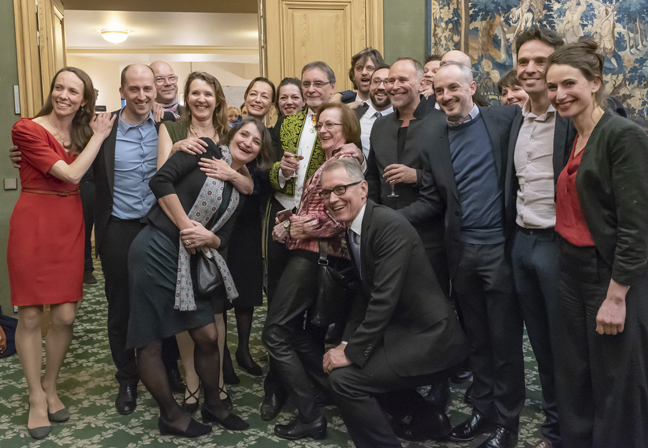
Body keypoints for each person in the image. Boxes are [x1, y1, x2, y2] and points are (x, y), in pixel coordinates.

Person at [400, 62, 525, 448]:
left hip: (500, 251)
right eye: (439, 91)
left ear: (472, 87)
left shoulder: (505, 120)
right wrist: (385, 219)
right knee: (477, 341)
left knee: (505, 343)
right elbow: (434, 199)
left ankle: (507, 423)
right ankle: (482, 411)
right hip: (461, 253)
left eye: (454, 88)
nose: (446, 96)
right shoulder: (433, 137)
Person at [126, 117, 273, 437]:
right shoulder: (203, 148)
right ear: (232, 135)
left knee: (207, 335)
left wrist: (210, 238)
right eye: (244, 134)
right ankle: (171, 416)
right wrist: (186, 226)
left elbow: (225, 239)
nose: (247, 142)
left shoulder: (240, 188)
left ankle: (214, 405)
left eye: (256, 141)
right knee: (150, 341)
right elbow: (160, 181)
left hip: (192, 259)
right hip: (156, 248)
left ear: (259, 152)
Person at [321, 157, 469, 448]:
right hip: (403, 330)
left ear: (363, 188)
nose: (332, 199)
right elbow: (364, 294)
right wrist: (346, 343)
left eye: (340, 189)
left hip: (431, 339)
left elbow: (383, 299)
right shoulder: (356, 225)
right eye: (326, 193)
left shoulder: (388, 225)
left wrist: (352, 352)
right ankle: (428, 418)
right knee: (347, 362)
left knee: (345, 379)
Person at [546, 40, 648, 448]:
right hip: (571, 269)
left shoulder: (623, 136)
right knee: (576, 374)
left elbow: (637, 226)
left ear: (595, 83)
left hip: (610, 275)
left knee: (615, 380)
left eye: (569, 83)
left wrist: (617, 295)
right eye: (553, 87)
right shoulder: (573, 134)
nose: (559, 94)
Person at [9, 67, 115, 439]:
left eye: (73, 91)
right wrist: (99, 137)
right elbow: (70, 174)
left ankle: (50, 385)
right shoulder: (26, 128)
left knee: (66, 315)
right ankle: (36, 397)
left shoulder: (84, 133)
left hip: (69, 223)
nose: (63, 95)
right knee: (30, 315)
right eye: (59, 87)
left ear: (84, 100)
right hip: (33, 223)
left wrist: (97, 136)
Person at [157, 71, 256, 415]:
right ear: (187, 97)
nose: (202, 99)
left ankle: (219, 384)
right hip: (179, 232)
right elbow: (161, 179)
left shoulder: (229, 134)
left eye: (208, 94)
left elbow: (247, 185)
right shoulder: (172, 130)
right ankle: (192, 382)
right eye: (195, 93)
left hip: (217, 235)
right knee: (186, 309)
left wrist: (231, 174)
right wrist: (176, 150)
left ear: (217, 100)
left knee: (214, 311)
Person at [263, 102, 365, 440]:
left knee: (275, 333)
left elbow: (338, 216)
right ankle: (340, 391)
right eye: (320, 125)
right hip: (311, 253)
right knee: (294, 333)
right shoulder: (334, 159)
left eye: (331, 124)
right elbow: (315, 206)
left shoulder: (346, 159)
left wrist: (293, 228)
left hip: (315, 256)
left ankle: (310, 415)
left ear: (348, 128)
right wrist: (289, 218)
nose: (323, 130)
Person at [503, 26, 575, 448]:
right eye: (523, 61)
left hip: (559, 246)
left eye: (541, 61)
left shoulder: (571, 121)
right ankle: (554, 428)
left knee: (567, 347)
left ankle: (572, 431)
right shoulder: (517, 119)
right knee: (541, 348)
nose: (530, 69)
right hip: (522, 242)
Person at [226, 77, 277, 381]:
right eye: (254, 93)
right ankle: (221, 356)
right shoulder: (231, 132)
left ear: (271, 104)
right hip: (221, 219)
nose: (258, 99)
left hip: (250, 221)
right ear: (246, 97)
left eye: (265, 96)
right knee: (216, 289)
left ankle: (243, 349)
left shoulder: (271, 137)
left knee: (246, 288)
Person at [357, 64, 393, 158]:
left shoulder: (404, 118)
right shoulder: (354, 115)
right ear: (369, 86)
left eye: (386, 82)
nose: (381, 87)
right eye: (376, 81)